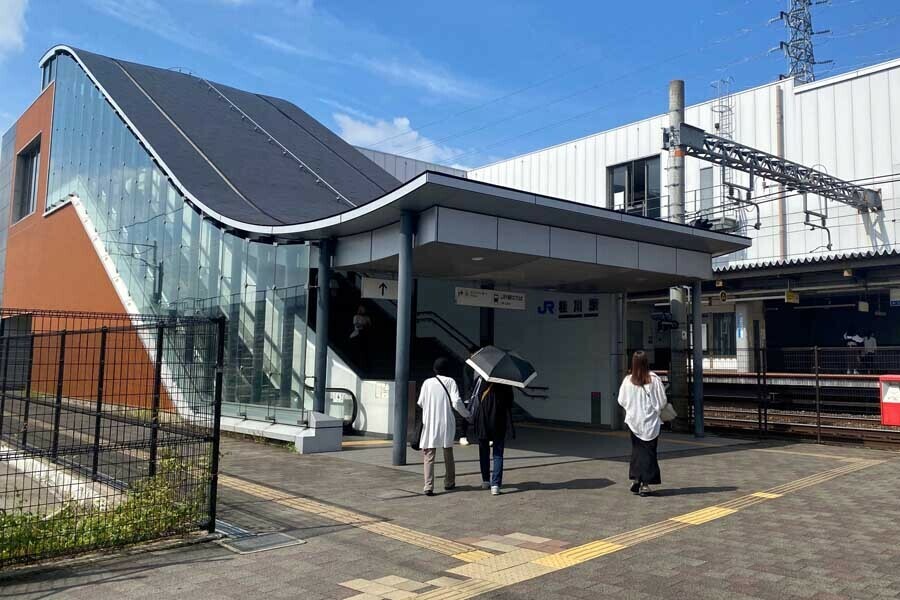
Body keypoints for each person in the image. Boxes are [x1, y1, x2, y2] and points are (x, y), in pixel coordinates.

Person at [617, 350, 667, 497]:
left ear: (633, 363)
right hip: (650, 422)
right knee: (649, 453)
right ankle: (645, 485)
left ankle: (636, 479)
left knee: (637, 451)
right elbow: (662, 401)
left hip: (634, 422)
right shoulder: (654, 379)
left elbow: (621, 400)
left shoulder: (628, 380)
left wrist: (632, 409)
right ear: (647, 362)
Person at [417, 357, 469, 496]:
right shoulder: (451, 381)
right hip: (446, 422)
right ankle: (449, 482)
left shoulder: (427, 383)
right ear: (448, 369)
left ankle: (428, 486)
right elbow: (456, 402)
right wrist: (466, 414)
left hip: (430, 422)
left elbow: (421, 402)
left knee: (429, 455)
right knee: (448, 453)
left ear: (434, 369)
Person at [472, 380, 515, 495]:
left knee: (483, 451)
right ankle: (495, 485)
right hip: (499, 419)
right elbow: (510, 402)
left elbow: (477, 396)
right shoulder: (506, 383)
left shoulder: (483, 382)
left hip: (483, 420)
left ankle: (485, 480)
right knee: (498, 453)